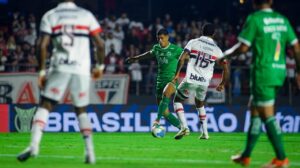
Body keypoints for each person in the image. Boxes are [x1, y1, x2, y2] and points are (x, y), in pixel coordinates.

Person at [17, 0, 105, 164]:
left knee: (46, 105)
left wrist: (42, 71)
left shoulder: (50, 15)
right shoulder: (86, 15)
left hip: (60, 67)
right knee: (81, 110)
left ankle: (34, 146)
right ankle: (90, 152)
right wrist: (100, 66)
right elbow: (100, 44)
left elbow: (42, 45)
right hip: (81, 68)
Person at [221, 0, 300, 167]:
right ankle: (246, 155)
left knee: (266, 114)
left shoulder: (255, 19)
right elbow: (296, 47)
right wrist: (299, 71)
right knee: (255, 109)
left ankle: (281, 158)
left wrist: (225, 55)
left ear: (254, 2)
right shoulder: (282, 19)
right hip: (280, 71)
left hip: (263, 72)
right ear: (271, 1)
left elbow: (243, 48)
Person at [169, 23, 228, 140]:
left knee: (177, 100)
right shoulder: (217, 49)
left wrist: (176, 74)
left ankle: (184, 127)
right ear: (214, 34)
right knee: (199, 103)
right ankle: (205, 133)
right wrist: (222, 83)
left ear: (202, 31)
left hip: (191, 78)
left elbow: (182, 58)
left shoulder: (193, 42)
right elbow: (226, 68)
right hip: (205, 82)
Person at [126, 28, 182, 131]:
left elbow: (185, 58)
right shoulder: (156, 48)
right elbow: (148, 54)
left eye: (162, 38)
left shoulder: (176, 49)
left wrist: (178, 74)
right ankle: (182, 127)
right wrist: (135, 58)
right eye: (158, 38)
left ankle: (156, 121)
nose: (160, 40)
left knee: (166, 93)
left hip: (172, 81)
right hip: (160, 82)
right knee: (165, 113)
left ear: (167, 37)